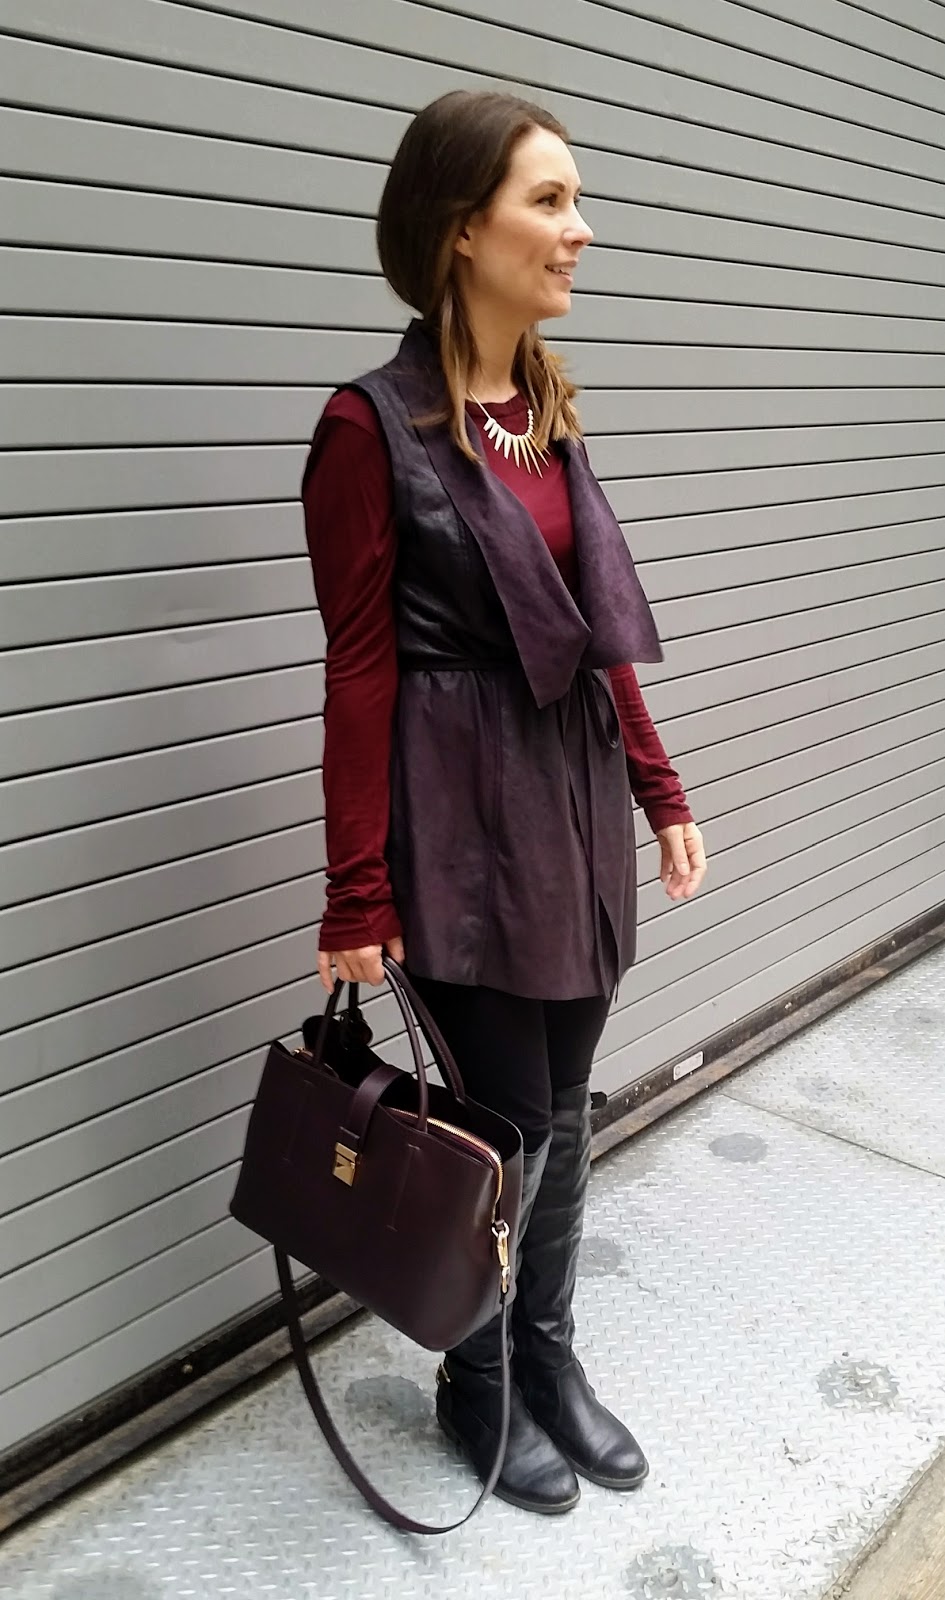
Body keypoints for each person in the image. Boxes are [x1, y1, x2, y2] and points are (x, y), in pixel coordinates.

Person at [301, 88, 707, 1517]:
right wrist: (356, 889)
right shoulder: (368, 428)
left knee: (565, 1112)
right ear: (461, 229)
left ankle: (546, 1354)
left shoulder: (543, 409)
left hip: (571, 807)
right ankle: (474, 1381)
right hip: (460, 819)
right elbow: (359, 670)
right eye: (549, 201)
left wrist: (655, 783)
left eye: (574, 200)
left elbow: (595, 628)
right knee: (504, 1121)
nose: (578, 229)